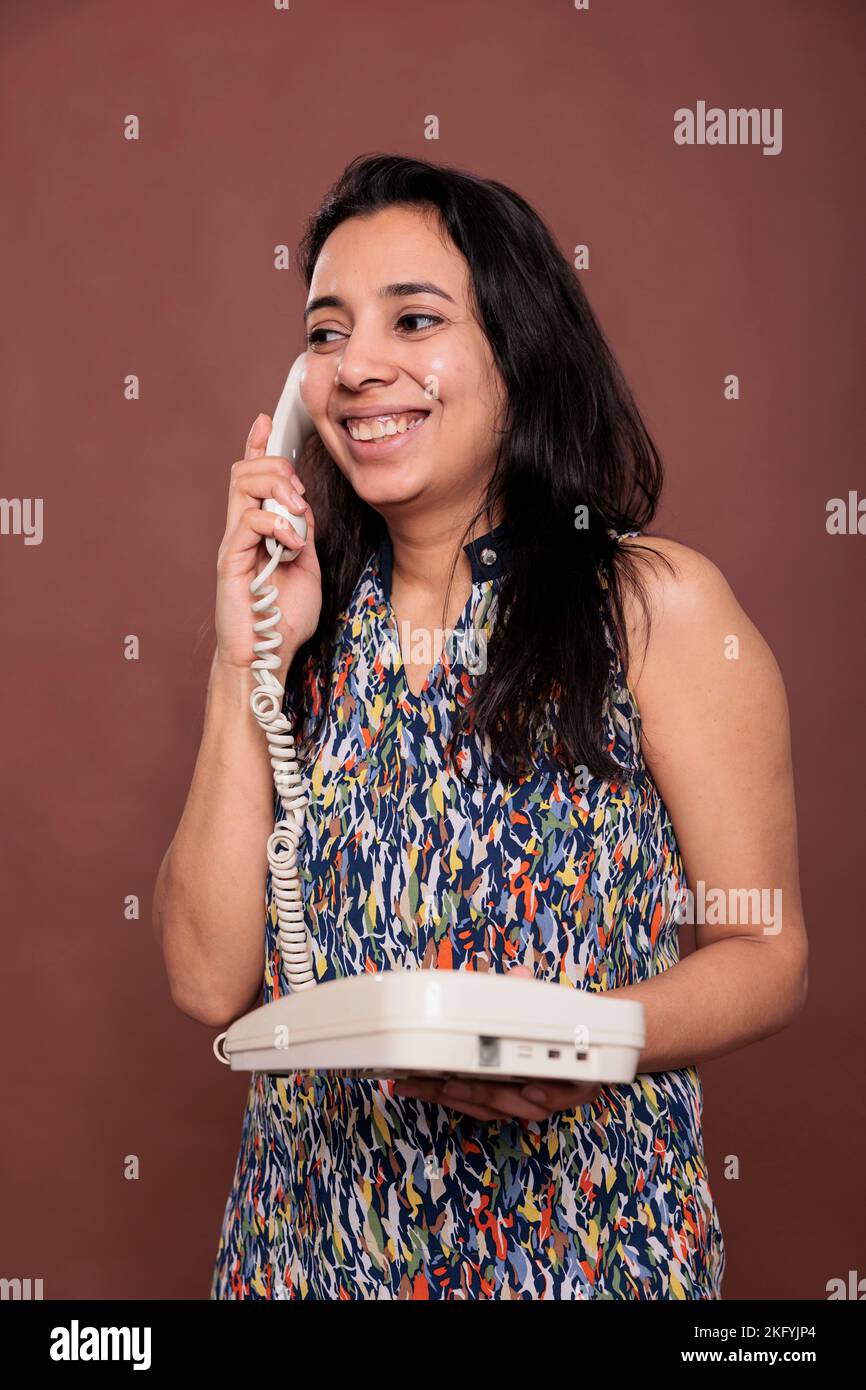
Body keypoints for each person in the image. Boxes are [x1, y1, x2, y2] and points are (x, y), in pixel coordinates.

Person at [153, 153, 808, 1300]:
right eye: (325, 332)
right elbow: (209, 982)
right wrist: (243, 656)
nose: (357, 368)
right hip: (306, 1257)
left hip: (577, 1257)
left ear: (517, 346)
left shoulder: (653, 605)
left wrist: (587, 1041)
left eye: (413, 319)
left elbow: (767, 952)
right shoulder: (301, 622)